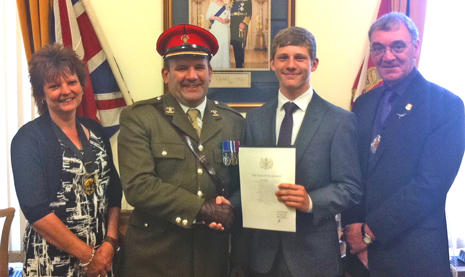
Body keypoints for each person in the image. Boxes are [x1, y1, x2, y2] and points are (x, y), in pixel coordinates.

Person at [231, 26, 362, 277]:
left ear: (313, 64)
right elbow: (247, 182)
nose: (291, 65)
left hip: (314, 259)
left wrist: (310, 201)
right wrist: (226, 206)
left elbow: (350, 188)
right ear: (272, 63)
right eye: (283, 57)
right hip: (261, 258)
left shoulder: (339, 121)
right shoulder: (255, 118)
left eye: (300, 58)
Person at [342, 12, 465, 276]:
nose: (388, 56)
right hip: (361, 258)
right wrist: (353, 227)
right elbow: (351, 171)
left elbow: (429, 186)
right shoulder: (363, 104)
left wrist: (368, 232)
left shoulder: (446, 105)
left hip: (413, 255)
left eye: (397, 46)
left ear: (415, 47)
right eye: (379, 48)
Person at [117, 24, 245, 277]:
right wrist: (201, 208)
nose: (192, 75)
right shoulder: (140, 118)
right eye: (181, 68)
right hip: (155, 256)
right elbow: (138, 186)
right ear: (166, 74)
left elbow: (242, 183)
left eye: (199, 67)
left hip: (212, 255)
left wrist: (230, 207)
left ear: (210, 72)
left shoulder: (233, 122)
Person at [11, 43, 122, 277]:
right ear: (41, 93)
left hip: (101, 260)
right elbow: (36, 211)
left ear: (82, 86)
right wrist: (88, 256)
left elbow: (114, 191)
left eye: (72, 82)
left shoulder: (96, 130)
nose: (66, 91)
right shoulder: (28, 139)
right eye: (54, 86)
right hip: (52, 262)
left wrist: (110, 243)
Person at [206, 0, 231, 68]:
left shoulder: (226, 6)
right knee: (216, 45)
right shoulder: (212, 4)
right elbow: (208, 16)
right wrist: (217, 18)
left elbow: (229, 18)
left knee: (224, 45)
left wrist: (226, 20)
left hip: (224, 28)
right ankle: (214, 66)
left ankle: (224, 66)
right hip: (215, 28)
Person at [230, 0, 252, 68]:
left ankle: (240, 63)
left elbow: (249, 13)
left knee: (241, 44)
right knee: (235, 44)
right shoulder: (232, 2)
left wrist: (244, 22)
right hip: (233, 24)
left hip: (242, 24)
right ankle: (237, 63)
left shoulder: (247, 1)